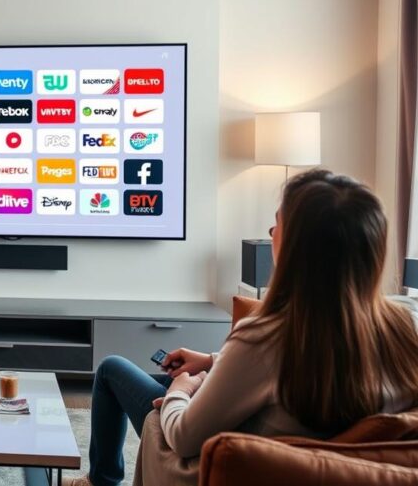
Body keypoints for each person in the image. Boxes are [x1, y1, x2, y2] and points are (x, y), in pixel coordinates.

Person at [66, 169, 418, 486]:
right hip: (305, 462)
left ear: (296, 247)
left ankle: (101, 480)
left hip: (215, 462)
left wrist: (181, 390)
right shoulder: (405, 323)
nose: (271, 233)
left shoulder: (265, 338)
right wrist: (212, 361)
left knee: (111, 370)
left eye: (277, 223)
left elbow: (184, 438)